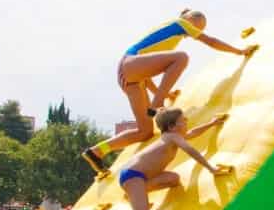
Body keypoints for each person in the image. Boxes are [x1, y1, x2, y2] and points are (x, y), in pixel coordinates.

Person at [80, 10, 257, 176]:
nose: (194, 33)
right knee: (182, 58)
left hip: (131, 79)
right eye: (197, 27)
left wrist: (164, 94)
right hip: (129, 64)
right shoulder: (180, 23)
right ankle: (157, 104)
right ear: (190, 20)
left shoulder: (167, 38)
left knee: (145, 132)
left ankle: (96, 152)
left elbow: (146, 77)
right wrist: (239, 51)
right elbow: (210, 41)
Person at [119, 108, 230, 210]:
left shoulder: (171, 136)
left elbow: (192, 133)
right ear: (172, 126)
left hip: (137, 177)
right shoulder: (173, 137)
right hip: (134, 176)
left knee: (173, 179)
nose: (186, 122)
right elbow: (191, 150)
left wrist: (211, 123)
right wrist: (210, 168)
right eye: (183, 121)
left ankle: (134, 196)